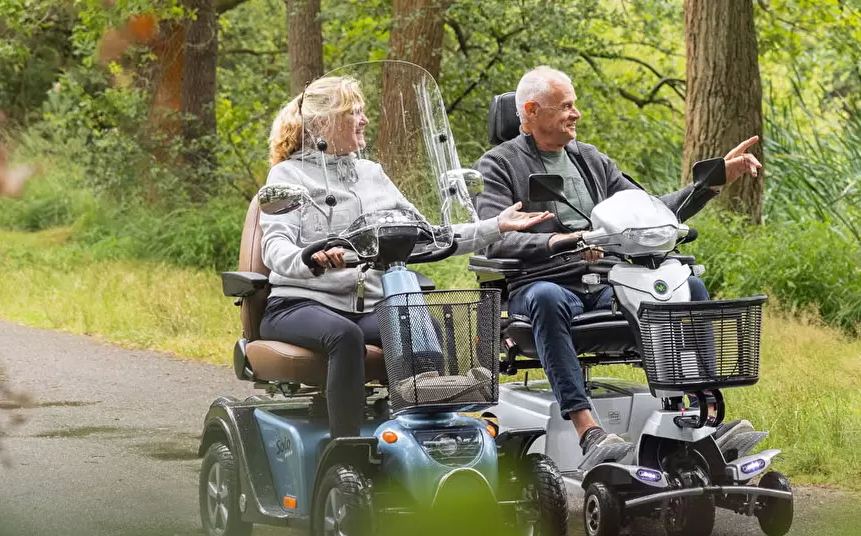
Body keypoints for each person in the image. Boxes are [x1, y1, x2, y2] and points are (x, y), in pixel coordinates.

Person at [473, 66, 762, 456]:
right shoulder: (499, 164)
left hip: (608, 281)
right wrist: (559, 241)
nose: (576, 114)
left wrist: (710, 182)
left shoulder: (590, 159)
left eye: (575, 105)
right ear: (532, 110)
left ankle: (701, 412)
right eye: (566, 106)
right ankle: (588, 430)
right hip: (545, 282)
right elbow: (494, 240)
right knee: (546, 297)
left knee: (687, 285)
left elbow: (651, 211)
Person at [260, 75, 552, 438]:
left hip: (366, 305)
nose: (365, 120)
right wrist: (311, 257)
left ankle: (431, 436)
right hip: (298, 304)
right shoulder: (287, 174)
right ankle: (347, 447)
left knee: (426, 327)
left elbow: (430, 236)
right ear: (323, 123)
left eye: (363, 111)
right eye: (354, 112)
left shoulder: (372, 174)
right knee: (345, 336)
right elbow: (274, 248)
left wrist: (498, 225)